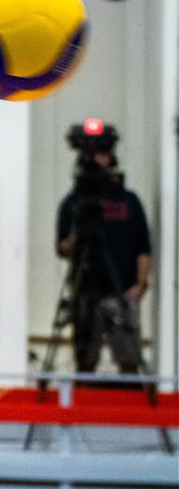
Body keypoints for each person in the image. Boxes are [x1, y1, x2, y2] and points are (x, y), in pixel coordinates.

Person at [56, 121, 152, 374]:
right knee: (85, 360)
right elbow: (63, 249)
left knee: (129, 358)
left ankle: (131, 397)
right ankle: (82, 397)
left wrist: (141, 284)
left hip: (123, 291)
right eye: (93, 154)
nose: (99, 159)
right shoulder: (73, 202)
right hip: (86, 292)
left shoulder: (129, 201)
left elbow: (144, 246)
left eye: (103, 153)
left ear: (112, 157)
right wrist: (78, 226)